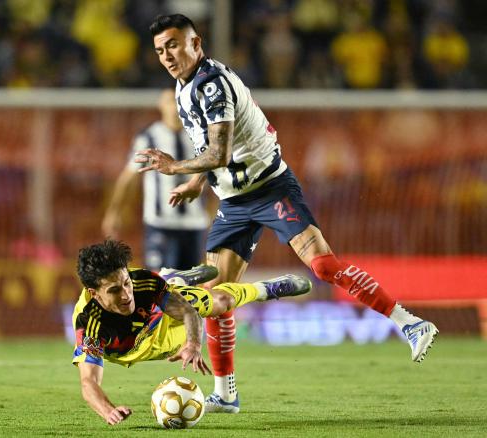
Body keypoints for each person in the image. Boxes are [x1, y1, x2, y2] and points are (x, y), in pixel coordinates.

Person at [138, 13, 439, 414]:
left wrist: (175, 167)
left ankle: (410, 322)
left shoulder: (212, 85)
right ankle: (226, 394)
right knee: (216, 297)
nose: (168, 56)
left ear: (197, 43)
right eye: (161, 50)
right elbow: (211, 151)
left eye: (174, 45)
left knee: (324, 266)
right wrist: (196, 182)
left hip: (271, 188)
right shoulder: (182, 87)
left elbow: (221, 151)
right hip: (233, 201)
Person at [72, 239, 311, 425]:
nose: (126, 295)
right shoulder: (89, 323)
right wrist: (108, 410)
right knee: (178, 292)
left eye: (126, 283)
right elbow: (88, 382)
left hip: (162, 322)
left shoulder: (143, 282)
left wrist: (193, 345)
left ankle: (265, 289)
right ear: (94, 293)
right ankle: (174, 279)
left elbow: (188, 313)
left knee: (221, 301)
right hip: (128, 351)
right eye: (115, 290)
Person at [102, 89, 209, 271]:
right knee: (158, 282)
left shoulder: (200, 134)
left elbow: (213, 174)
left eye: (178, 102)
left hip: (194, 222)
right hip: (160, 223)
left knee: (188, 289)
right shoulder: (149, 136)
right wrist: (114, 211)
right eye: (170, 102)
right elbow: (129, 176)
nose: (174, 107)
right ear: (161, 105)